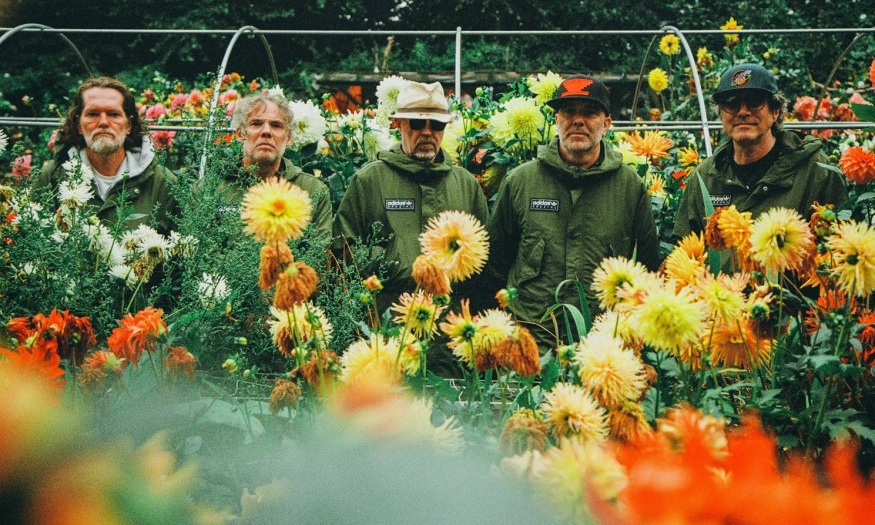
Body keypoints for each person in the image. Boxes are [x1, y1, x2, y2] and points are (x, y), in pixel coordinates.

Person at [487, 74, 661, 350]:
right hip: (533, 341)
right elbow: (495, 264)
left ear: (606, 124)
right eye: (569, 111)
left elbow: (648, 268)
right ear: (556, 119)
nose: (578, 121)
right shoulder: (521, 182)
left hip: (602, 345)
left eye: (590, 112)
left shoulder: (629, 187)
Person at [334, 81, 489, 375]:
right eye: (417, 124)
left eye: (437, 125)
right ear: (398, 124)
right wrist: (394, 264)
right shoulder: (370, 181)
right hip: (388, 331)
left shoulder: (465, 185)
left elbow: (484, 261)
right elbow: (343, 254)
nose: (427, 132)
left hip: (449, 337)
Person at [673, 63, 847, 240]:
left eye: (754, 101)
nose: (743, 112)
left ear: (775, 111)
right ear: (721, 114)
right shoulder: (704, 179)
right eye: (731, 103)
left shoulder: (816, 170)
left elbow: (839, 245)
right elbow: (684, 250)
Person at [34, 76, 177, 233]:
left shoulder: (162, 183)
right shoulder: (53, 176)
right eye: (93, 114)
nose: (103, 122)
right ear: (79, 125)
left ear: (128, 125)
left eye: (113, 114)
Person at [212, 91, 332, 245]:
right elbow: (200, 251)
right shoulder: (211, 189)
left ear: (288, 138)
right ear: (240, 134)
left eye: (276, 125)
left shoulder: (312, 191)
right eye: (256, 124)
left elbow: (317, 253)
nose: (266, 131)